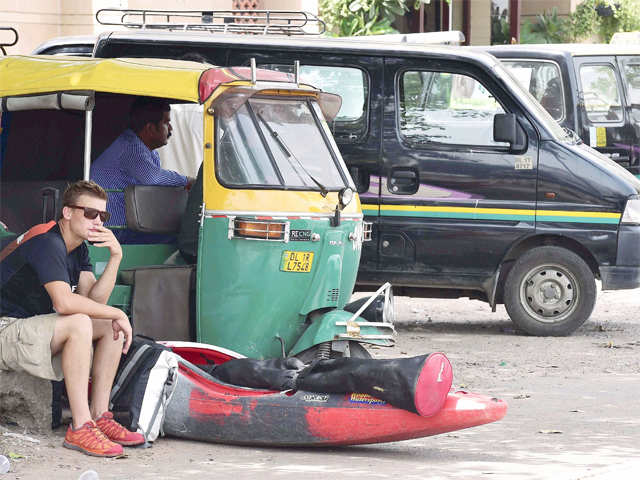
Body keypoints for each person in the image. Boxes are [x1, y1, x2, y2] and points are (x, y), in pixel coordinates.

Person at [0, 180, 144, 457]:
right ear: (67, 213)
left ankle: (100, 415)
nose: (98, 221)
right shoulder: (47, 241)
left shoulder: (78, 248)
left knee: (107, 326)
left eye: (104, 216)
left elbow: (94, 303)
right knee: (79, 322)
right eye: (90, 213)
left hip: (27, 328)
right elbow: (64, 303)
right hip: (5, 327)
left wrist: (116, 256)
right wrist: (118, 311)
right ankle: (80, 427)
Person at [91, 96, 192, 244]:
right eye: (166, 123)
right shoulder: (130, 147)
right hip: (112, 229)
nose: (170, 129)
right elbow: (153, 178)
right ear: (150, 128)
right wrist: (188, 181)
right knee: (181, 242)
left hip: (122, 227)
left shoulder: (149, 152)